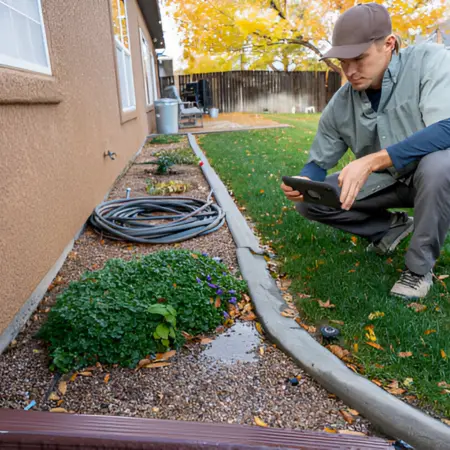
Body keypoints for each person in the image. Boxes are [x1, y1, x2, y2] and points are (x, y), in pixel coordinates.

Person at [281, 3, 450, 299]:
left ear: (389, 44)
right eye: (343, 62)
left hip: (435, 179)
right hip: (390, 182)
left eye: (359, 58)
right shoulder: (342, 101)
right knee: (312, 201)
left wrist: (375, 160)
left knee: (439, 166)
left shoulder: (430, 61)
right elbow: (318, 162)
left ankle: (418, 271)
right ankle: (389, 228)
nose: (350, 71)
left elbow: (447, 127)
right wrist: (305, 180)